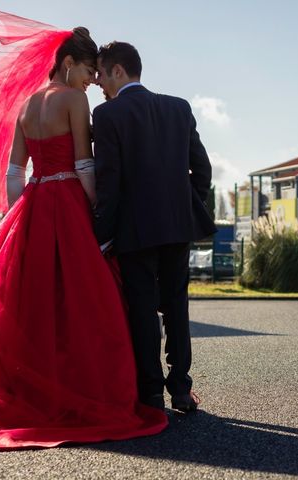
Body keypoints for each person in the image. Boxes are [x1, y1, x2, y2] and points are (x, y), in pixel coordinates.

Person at [0, 10, 167, 453]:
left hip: (32, 205)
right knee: (81, 298)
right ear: (68, 64)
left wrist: (16, 216)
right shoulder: (73, 100)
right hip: (66, 203)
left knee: (31, 297)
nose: (91, 80)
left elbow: (12, 173)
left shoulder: (26, 104)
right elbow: (83, 164)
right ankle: (78, 383)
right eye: (86, 71)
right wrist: (98, 208)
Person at [93, 42, 216, 413]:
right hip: (177, 226)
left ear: (118, 71)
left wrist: (103, 234)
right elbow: (203, 170)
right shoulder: (179, 108)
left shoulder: (107, 114)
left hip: (134, 231)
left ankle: (150, 395)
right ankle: (180, 389)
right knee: (177, 305)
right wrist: (186, 205)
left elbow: (108, 181)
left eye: (101, 72)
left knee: (142, 309)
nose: (98, 81)